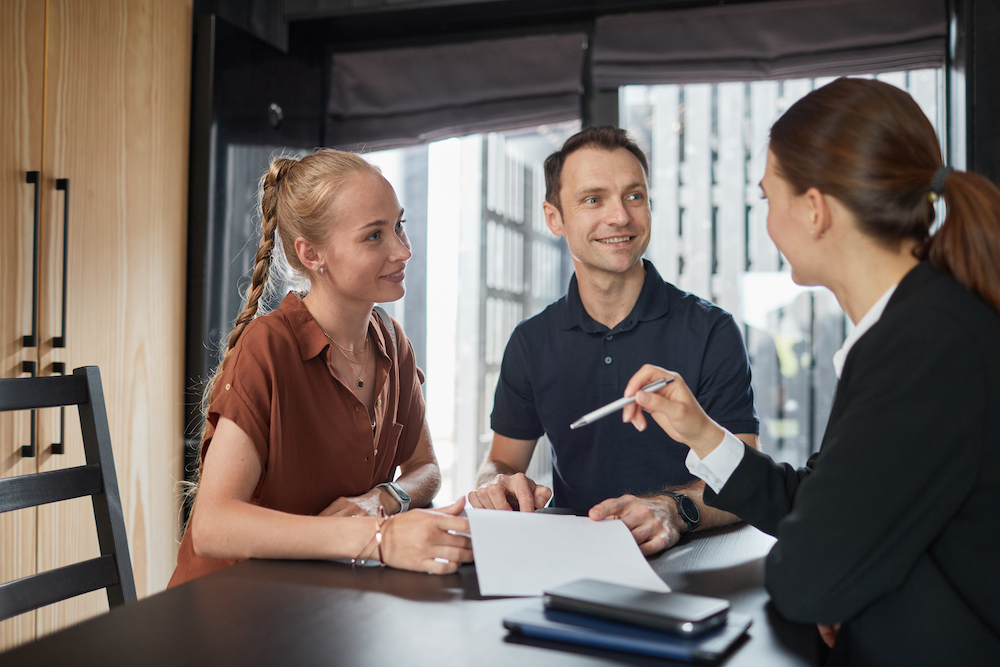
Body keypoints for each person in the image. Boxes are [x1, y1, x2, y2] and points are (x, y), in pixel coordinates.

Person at [622, 78, 1000, 665]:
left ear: (816, 209)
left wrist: (846, 587)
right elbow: (819, 503)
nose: (769, 223)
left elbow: (807, 573)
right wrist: (702, 433)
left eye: (769, 199)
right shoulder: (916, 327)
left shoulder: (925, 345)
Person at [169, 149, 472, 586]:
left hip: (323, 596)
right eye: (374, 236)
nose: (403, 251)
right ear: (312, 255)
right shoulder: (268, 348)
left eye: (398, 226)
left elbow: (425, 468)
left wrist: (381, 500)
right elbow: (214, 527)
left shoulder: (392, 342)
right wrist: (378, 538)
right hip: (231, 608)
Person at [468, 126, 760, 555]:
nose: (620, 216)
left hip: (693, 559)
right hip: (572, 558)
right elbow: (503, 461)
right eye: (593, 199)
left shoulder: (711, 330)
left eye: (634, 196)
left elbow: (748, 478)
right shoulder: (531, 341)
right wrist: (493, 483)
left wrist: (672, 509)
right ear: (554, 218)